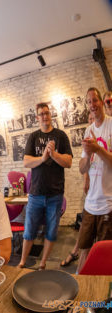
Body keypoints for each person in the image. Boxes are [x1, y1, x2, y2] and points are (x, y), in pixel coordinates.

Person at [17, 102, 73, 270]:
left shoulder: (61, 136)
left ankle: (42, 264)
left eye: (47, 113)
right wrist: (42, 158)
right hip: (35, 194)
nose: (44, 116)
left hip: (55, 194)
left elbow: (68, 162)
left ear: (50, 115)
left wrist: (53, 154)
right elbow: (26, 162)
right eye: (41, 114)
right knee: (29, 231)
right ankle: (21, 262)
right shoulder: (33, 137)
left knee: (51, 232)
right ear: (37, 117)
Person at [77, 87, 112, 272]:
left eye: (95, 100)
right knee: (84, 248)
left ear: (101, 102)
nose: (92, 105)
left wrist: (98, 149)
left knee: (106, 252)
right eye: (89, 102)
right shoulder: (88, 131)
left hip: (108, 202)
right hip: (90, 203)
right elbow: (82, 168)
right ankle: (80, 283)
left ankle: (104, 292)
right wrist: (87, 156)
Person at [60, 111, 95, 267]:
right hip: (94, 190)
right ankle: (76, 253)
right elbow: (85, 162)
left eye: (94, 118)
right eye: (89, 119)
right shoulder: (89, 138)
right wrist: (86, 179)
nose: (91, 121)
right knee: (86, 224)